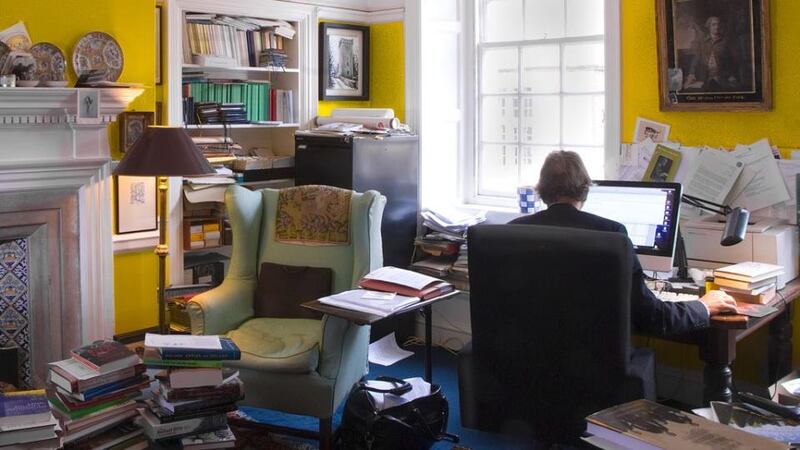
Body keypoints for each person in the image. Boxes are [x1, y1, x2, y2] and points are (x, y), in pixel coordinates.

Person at [509, 150, 737, 336]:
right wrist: (703, 306)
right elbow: (653, 318)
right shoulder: (611, 235)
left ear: (543, 191)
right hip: (590, 366)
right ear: (585, 190)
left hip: (523, 363)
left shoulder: (513, 232)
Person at [684, 16, 741, 91]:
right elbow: (696, 58)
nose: (717, 27)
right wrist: (691, 73)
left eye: (718, 24)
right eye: (714, 24)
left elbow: (733, 60)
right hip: (705, 76)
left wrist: (732, 75)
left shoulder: (726, 41)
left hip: (722, 76)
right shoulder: (703, 42)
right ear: (709, 27)